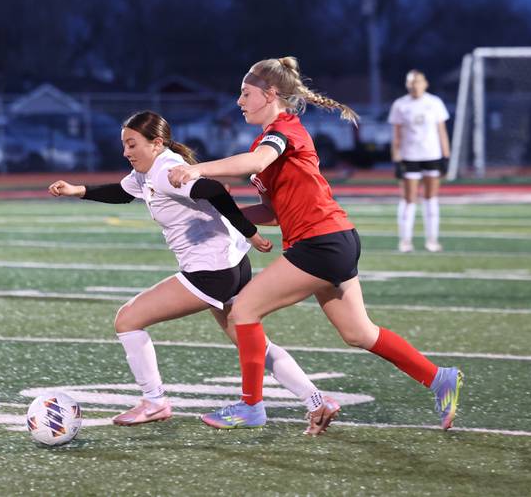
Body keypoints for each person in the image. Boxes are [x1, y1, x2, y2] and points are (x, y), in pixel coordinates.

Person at [168, 57, 463, 431]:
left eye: (245, 94)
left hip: (321, 243)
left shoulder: (283, 130)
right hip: (335, 239)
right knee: (359, 333)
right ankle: (439, 378)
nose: (239, 102)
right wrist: (225, 215)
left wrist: (197, 168)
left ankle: (251, 406)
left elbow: (255, 160)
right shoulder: (270, 137)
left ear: (271, 94)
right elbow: (273, 213)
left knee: (242, 311)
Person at [49, 110, 340, 435]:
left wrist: (250, 232)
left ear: (156, 143)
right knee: (252, 343)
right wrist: (79, 190)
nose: (126, 152)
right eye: (124, 145)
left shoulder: (164, 170)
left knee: (127, 319)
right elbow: (123, 192)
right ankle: (316, 399)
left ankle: (154, 401)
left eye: (132, 144)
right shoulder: (148, 172)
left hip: (211, 271)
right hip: (230, 265)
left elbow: (214, 190)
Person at [388, 70, 451, 253]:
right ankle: (405, 241)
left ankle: (432, 240)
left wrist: (445, 156)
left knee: (431, 198)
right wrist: (397, 160)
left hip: (432, 155)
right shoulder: (400, 105)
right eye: (411, 82)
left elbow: (442, 131)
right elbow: (397, 136)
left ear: (425, 83)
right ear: (407, 85)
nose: (414, 85)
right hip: (410, 156)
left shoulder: (434, 103)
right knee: (409, 199)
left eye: (418, 82)